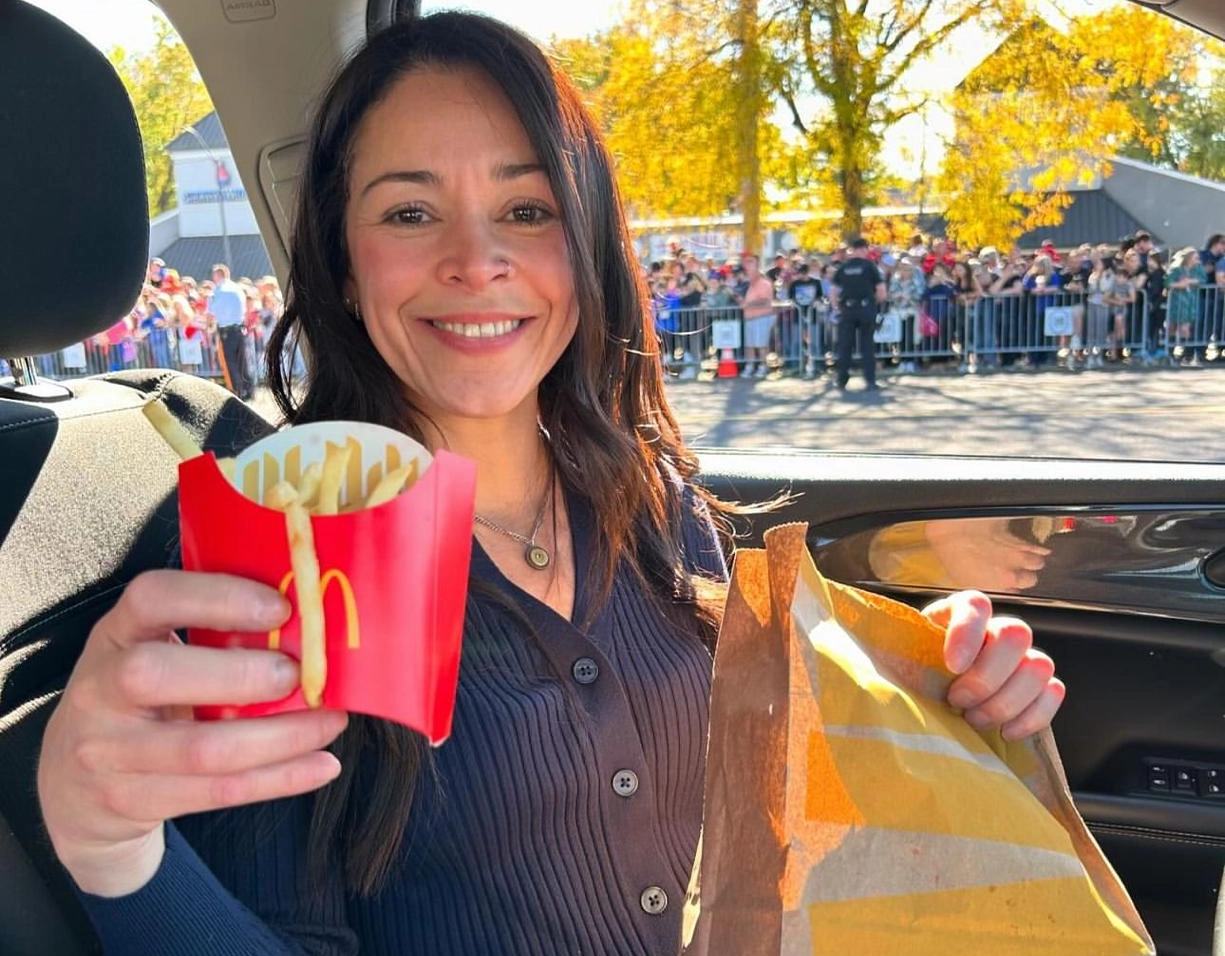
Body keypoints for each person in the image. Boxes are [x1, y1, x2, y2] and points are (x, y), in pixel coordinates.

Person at [37, 13, 1066, 956]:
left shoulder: (657, 497)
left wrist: (941, 697)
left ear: (582, 244)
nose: (476, 259)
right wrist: (115, 850)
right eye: (408, 211)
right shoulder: (276, 551)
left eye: (526, 206)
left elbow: (780, 816)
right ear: (343, 264)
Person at [830, 237, 886, 390]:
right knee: (867, 345)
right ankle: (870, 381)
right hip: (865, 308)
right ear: (864, 249)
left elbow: (833, 291)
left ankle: (842, 380)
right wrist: (875, 302)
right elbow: (881, 291)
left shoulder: (843, 267)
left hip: (847, 310)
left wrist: (836, 308)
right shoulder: (870, 267)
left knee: (845, 346)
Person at [208, 263, 255, 400]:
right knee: (242, 361)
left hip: (226, 331)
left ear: (218, 275)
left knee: (231, 362)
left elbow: (211, 312)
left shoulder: (217, 291)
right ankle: (249, 389)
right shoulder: (238, 288)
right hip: (240, 328)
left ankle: (237, 390)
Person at [737, 253, 776, 378]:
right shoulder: (747, 282)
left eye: (751, 262)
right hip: (749, 317)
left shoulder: (764, 282)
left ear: (757, 264)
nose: (748, 264)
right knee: (750, 344)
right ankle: (750, 366)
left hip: (762, 316)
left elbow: (765, 300)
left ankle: (763, 366)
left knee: (761, 344)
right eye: (746, 262)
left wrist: (748, 304)